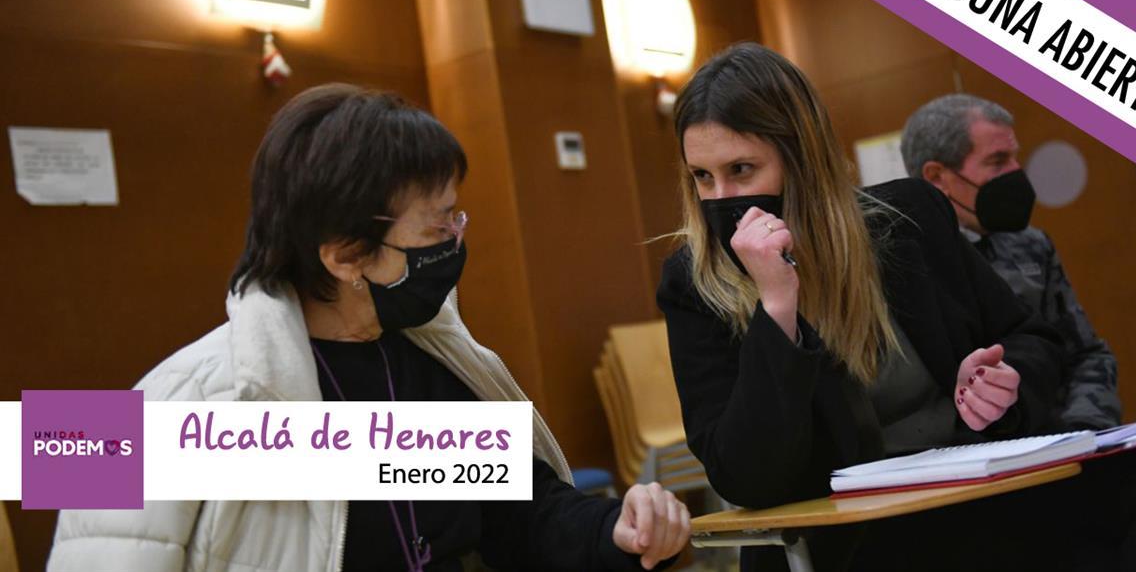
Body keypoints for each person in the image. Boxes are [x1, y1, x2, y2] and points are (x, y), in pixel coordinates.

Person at [48, 84, 689, 572]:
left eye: (456, 217)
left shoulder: (438, 356)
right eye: (437, 226)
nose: (457, 239)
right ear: (345, 256)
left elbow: (522, 514)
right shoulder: (163, 404)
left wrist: (616, 528)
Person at [656, 43, 1136, 572]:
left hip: (979, 489)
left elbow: (1033, 338)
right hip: (860, 533)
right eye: (702, 177)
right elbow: (745, 476)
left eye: (742, 169)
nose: (721, 197)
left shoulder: (908, 218)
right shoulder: (693, 283)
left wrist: (1001, 380)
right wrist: (776, 306)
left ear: (801, 159)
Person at [901, 93, 1120, 431]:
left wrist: (1085, 429)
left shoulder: (1030, 244)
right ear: (937, 177)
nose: (1017, 171)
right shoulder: (906, 266)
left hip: (1060, 437)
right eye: (998, 160)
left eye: (1015, 157)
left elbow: (1085, 353)